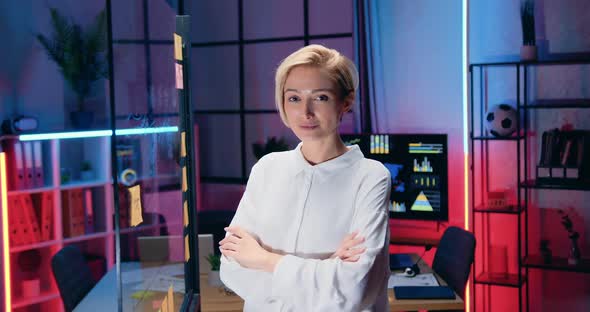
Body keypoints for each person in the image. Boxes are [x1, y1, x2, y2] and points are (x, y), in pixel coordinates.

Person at [219, 44, 391, 311]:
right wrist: (325, 270)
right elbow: (232, 270)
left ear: (346, 101)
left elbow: (353, 291)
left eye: (320, 97)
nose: (305, 112)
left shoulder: (370, 176)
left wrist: (263, 259)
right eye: (294, 98)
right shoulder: (267, 168)